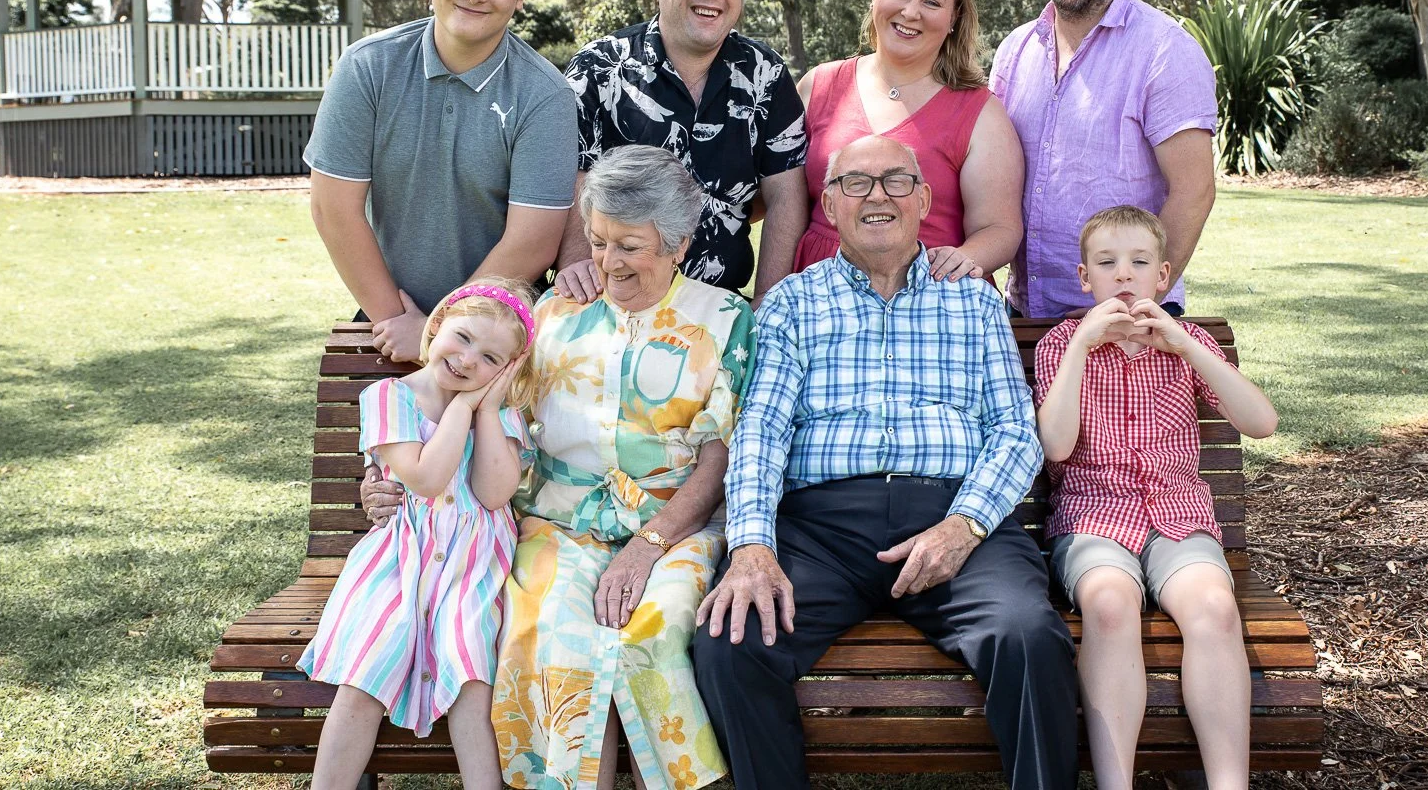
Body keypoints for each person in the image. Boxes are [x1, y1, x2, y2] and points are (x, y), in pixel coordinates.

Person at [693, 134, 1080, 790]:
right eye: (856, 183)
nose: (877, 195)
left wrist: (963, 527)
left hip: (956, 513)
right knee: (731, 642)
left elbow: (1015, 434)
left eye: (897, 181)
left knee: (1025, 634)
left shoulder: (973, 299)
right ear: (830, 208)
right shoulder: (791, 304)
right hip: (820, 532)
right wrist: (752, 547)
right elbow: (760, 432)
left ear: (925, 200)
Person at [490, 145, 754, 790]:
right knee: (553, 635)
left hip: (678, 526)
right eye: (599, 241)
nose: (608, 263)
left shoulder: (723, 321)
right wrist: (389, 471)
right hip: (555, 522)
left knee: (652, 639)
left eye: (630, 246)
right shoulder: (554, 312)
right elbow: (475, 396)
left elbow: (718, 457)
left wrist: (647, 545)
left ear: (678, 243)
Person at [1032, 205, 1278, 789]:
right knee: (1111, 606)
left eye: (1139, 263)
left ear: (1162, 277)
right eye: (1107, 263)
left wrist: (1188, 348)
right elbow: (1057, 446)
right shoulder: (1062, 344)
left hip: (1178, 518)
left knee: (1216, 611)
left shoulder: (1186, 343)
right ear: (1083, 277)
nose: (1124, 276)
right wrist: (1081, 348)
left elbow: (1262, 422)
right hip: (1093, 519)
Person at [304, 0, 577, 364]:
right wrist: (401, 323)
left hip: (501, 330)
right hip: (389, 314)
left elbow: (532, 240)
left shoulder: (546, 94)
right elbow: (334, 210)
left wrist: (439, 332)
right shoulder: (368, 68)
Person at [298, 278, 539, 790]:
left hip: (473, 568)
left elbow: (495, 494)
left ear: (509, 371)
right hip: (399, 561)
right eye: (464, 337)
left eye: (493, 358)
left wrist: (489, 410)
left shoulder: (501, 416)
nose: (470, 360)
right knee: (366, 675)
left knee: (473, 678)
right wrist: (461, 409)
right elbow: (426, 478)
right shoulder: (390, 397)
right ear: (437, 326)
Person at [990, 0, 1217, 317]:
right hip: (1023, 315)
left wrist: (1135, 305)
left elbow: (1194, 192)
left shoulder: (1166, 51)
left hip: (1128, 324)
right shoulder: (1014, 50)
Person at [553, 0, 808, 304]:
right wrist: (575, 263)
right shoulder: (600, 66)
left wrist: (768, 302)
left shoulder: (765, 75)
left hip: (719, 307)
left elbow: (786, 193)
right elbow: (575, 174)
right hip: (609, 302)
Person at [793, 0, 1023, 282]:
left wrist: (963, 259)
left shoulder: (980, 113)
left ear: (953, 18)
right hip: (820, 303)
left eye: (932, 2)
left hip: (925, 302)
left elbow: (1000, 228)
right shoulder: (818, 86)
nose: (911, 12)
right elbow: (783, 206)